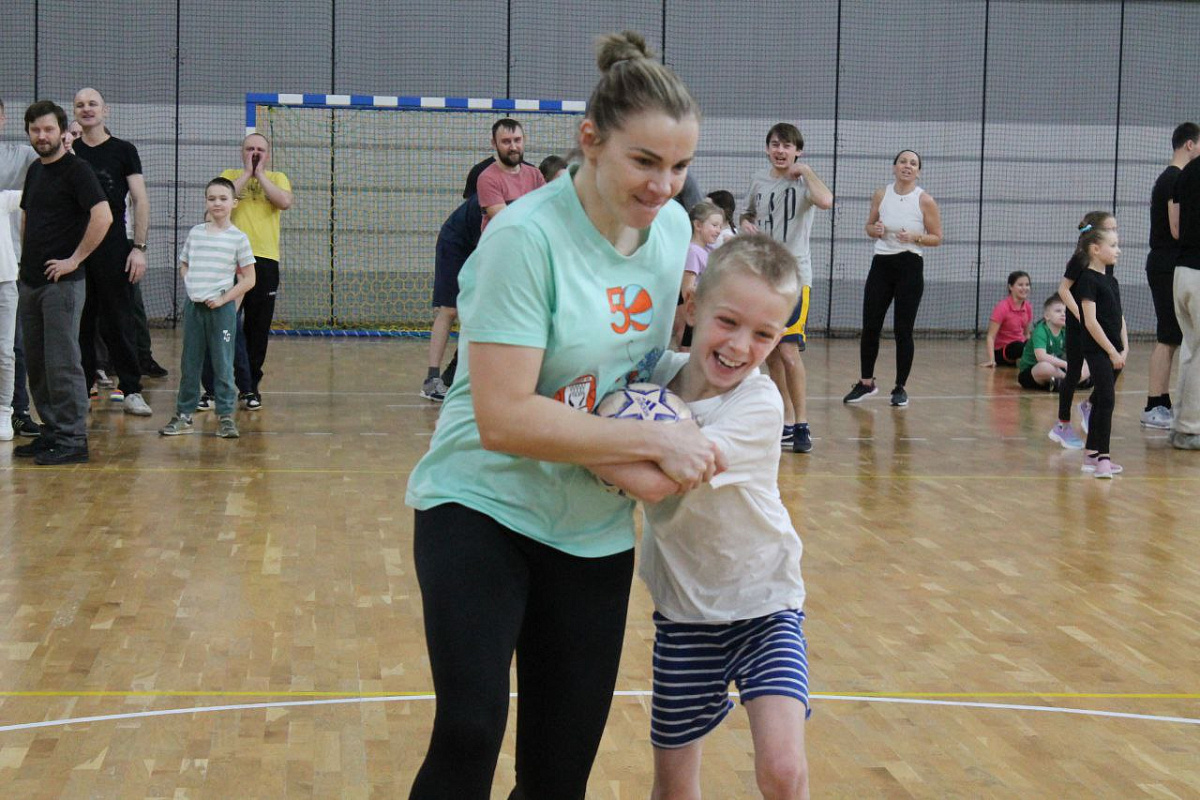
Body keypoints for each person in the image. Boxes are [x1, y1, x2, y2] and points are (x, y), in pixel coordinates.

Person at [404, 30, 721, 798]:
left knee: (558, 772)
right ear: (590, 141)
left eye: (680, 167)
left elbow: (637, 369)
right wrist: (651, 441)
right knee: (470, 731)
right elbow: (503, 418)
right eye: (645, 161)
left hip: (589, 525)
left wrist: (721, 374)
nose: (664, 186)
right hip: (482, 503)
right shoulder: (524, 239)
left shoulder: (670, 231)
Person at [611, 235, 811, 800]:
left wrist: (566, 441)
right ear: (693, 306)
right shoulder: (652, 379)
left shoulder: (758, 404)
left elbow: (659, 481)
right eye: (727, 321)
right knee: (674, 789)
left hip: (765, 606)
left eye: (764, 334)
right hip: (684, 614)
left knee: (784, 770)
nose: (740, 346)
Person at [14, 100, 111, 465]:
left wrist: (74, 259)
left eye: (48, 129)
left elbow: (103, 216)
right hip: (31, 282)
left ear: (61, 131)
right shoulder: (35, 171)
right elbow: (27, 218)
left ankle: (72, 438)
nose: (42, 136)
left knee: (62, 362)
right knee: (37, 363)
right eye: (35, 130)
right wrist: (25, 263)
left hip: (63, 285)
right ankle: (52, 431)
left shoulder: (77, 170)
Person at [739, 123, 832, 453]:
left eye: (787, 146)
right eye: (776, 145)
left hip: (794, 278)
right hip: (765, 275)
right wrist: (745, 223)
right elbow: (746, 214)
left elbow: (826, 200)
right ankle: (787, 420)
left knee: (789, 351)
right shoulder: (758, 180)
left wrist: (805, 170)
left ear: (797, 151)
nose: (780, 151)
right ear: (767, 149)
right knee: (772, 352)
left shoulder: (805, 183)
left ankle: (803, 423)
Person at [70, 88, 153, 418]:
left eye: (93, 104)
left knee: (120, 320)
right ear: (73, 112)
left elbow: (140, 200)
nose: (87, 109)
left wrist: (139, 248)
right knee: (81, 321)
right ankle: (82, 389)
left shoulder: (124, 150)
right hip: (76, 250)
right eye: (80, 105)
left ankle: (131, 390)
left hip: (115, 247)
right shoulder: (69, 151)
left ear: (106, 110)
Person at [844, 149, 943, 408]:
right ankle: (866, 382)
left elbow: (937, 237)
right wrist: (874, 229)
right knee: (870, 325)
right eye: (903, 162)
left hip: (910, 265)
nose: (907, 166)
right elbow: (869, 226)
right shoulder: (881, 194)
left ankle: (900, 387)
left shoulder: (925, 200)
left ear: (918, 171)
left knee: (903, 330)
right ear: (894, 167)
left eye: (913, 163)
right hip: (881, 264)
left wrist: (915, 236)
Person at [159, 177, 256, 439]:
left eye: (223, 198)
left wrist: (224, 300)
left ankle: (225, 417)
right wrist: (193, 287)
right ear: (206, 202)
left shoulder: (238, 238)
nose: (217, 203)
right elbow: (184, 264)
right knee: (190, 363)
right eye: (212, 198)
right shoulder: (196, 233)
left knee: (223, 364)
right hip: (195, 310)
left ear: (234, 203)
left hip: (222, 312)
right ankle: (184, 415)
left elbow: (249, 279)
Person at [220, 133, 292, 410]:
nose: (255, 153)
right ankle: (217, 384)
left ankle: (250, 386)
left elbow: (284, 202)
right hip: (230, 260)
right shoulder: (229, 176)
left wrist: (260, 175)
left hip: (264, 260)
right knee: (226, 324)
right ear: (242, 152)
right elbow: (223, 199)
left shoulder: (277, 178)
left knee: (257, 327)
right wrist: (247, 174)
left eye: (260, 149)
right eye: (250, 148)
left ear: (268, 155)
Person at [1144, 123, 1200, 430]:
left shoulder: (1174, 178)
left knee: (1173, 336)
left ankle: (1163, 402)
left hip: (1168, 263)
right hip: (1166, 263)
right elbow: (1176, 229)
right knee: (1167, 336)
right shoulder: (1175, 179)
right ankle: (1155, 404)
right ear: (1190, 144)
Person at [1048, 211, 1115, 450]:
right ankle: (1063, 424)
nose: (1115, 233)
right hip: (1079, 325)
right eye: (1110, 229)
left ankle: (1089, 405)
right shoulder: (1080, 259)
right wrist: (1080, 314)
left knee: (1112, 366)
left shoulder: (1108, 262)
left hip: (1097, 325)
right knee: (1074, 372)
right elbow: (1063, 290)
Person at [0, 96, 41, 438]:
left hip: (11, 266)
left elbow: (54, 166)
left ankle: (17, 411)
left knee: (13, 346)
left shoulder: (23, 155)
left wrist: (69, 141)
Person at [1076, 226, 1127, 477]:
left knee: (1100, 399)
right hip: (1098, 350)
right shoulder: (1087, 280)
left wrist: (1124, 348)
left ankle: (1091, 453)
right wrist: (1110, 351)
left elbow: (1119, 317)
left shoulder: (1112, 280)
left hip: (1115, 352)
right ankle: (1103, 458)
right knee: (1106, 399)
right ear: (1096, 249)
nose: (1118, 250)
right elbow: (1091, 321)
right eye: (1113, 245)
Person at [420, 194, 482, 402]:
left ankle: (456, 375)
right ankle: (432, 379)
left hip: (476, 246)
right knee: (449, 309)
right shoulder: (493, 195)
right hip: (456, 245)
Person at [1168, 135, 1200, 450]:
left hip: (1183, 272)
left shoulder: (1187, 171)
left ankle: (1181, 424)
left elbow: (1176, 227)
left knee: (1191, 349)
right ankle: (1192, 429)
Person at [670, 199, 723, 349]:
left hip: (707, 307)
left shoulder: (709, 249)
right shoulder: (693, 251)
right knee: (689, 348)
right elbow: (687, 288)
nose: (718, 230)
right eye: (714, 225)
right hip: (696, 309)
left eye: (720, 226)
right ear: (698, 225)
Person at [476, 118, 545, 232]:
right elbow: (507, 221)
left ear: (524, 140)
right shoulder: (487, 178)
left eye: (517, 140)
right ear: (494, 144)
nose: (513, 147)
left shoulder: (535, 174)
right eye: (506, 142)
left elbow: (547, 211)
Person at [1016, 296, 1075, 392]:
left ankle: (1060, 382)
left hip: (1055, 369)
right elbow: (1041, 357)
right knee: (1044, 366)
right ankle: (1072, 381)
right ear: (1047, 316)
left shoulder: (1065, 331)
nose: (1063, 314)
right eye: (1058, 311)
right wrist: (1066, 365)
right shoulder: (1040, 330)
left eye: (1065, 312)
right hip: (1031, 372)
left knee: (1087, 363)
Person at [980, 271, 1033, 367]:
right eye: (1020, 285)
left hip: (1021, 347)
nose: (1024, 288)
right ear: (1010, 287)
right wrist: (991, 360)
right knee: (1018, 346)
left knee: (1036, 344)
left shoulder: (1028, 307)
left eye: (1027, 285)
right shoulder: (1002, 307)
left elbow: (1026, 334)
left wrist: (1033, 344)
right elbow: (990, 336)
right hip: (1003, 351)